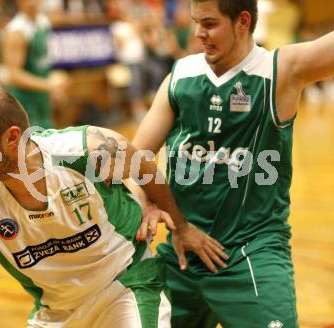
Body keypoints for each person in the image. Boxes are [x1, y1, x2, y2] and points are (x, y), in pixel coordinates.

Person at [0, 89, 227, 328]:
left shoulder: (83, 150)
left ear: (11, 138)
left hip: (123, 286)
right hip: (56, 311)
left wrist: (173, 220)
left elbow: (146, 169)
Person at [132, 0, 334, 327]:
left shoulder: (278, 71)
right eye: (196, 22)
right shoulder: (182, 75)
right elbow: (136, 158)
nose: (198, 33)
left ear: (242, 21)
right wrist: (145, 201)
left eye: (210, 24)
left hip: (249, 254)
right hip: (183, 253)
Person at [2, 0, 68, 128]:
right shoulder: (16, 31)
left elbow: (43, 61)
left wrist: (54, 88)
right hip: (25, 103)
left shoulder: (43, 22)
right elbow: (14, 75)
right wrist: (49, 85)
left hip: (42, 100)